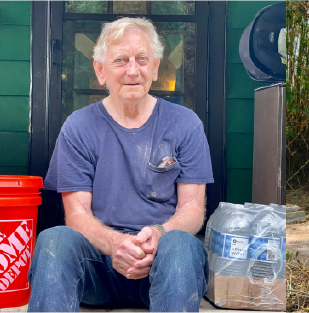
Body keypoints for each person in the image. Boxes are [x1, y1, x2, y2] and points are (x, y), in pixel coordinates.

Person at [28, 17, 212, 312]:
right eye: (120, 60)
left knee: (182, 245)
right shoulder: (78, 126)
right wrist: (115, 244)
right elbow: (76, 214)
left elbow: (192, 209)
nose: (132, 70)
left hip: (163, 263)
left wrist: (160, 234)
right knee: (54, 240)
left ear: (155, 67)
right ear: (100, 70)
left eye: (142, 59)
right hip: (97, 263)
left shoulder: (185, 124)